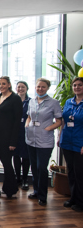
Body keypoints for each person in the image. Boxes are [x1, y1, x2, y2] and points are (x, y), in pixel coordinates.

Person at [25, 78, 62, 206]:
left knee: (42, 168)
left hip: (45, 141)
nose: (40, 89)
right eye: (38, 86)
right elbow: (29, 116)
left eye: (43, 87)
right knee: (34, 168)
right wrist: (27, 125)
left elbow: (59, 121)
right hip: (31, 139)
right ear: (35, 87)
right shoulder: (31, 101)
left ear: (47, 88)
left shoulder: (53, 102)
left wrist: (48, 128)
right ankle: (35, 191)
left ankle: (42, 195)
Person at [58, 77, 83, 212]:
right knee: (71, 172)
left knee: (80, 173)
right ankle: (73, 198)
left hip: (80, 143)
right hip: (67, 141)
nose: (77, 87)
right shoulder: (69, 102)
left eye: (80, 85)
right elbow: (64, 121)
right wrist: (60, 136)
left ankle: (81, 201)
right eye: (75, 85)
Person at [14, 81, 31, 190]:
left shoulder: (31, 101)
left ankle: (25, 179)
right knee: (15, 155)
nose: (21, 89)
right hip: (15, 131)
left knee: (26, 156)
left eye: (23, 87)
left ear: (27, 88)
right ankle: (18, 177)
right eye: (19, 87)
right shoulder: (13, 100)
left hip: (26, 131)